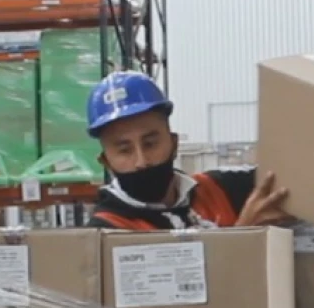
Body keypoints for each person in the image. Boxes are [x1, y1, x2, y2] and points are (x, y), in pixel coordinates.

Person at [84, 71, 290, 229]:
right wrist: (247, 235)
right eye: (124, 150)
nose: (141, 161)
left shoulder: (220, 190)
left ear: (174, 143)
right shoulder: (106, 232)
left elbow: (296, 177)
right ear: (106, 161)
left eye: (150, 144)